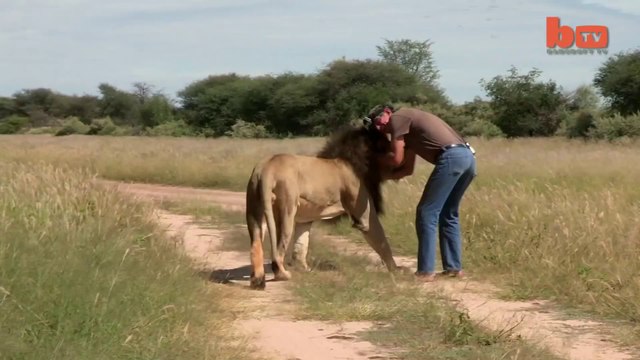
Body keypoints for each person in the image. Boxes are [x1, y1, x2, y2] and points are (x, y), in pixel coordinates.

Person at [366, 104, 477, 282]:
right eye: (377, 127)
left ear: (387, 113)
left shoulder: (398, 118)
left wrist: (369, 159)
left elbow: (395, 159)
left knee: (426, 212)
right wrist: (373, 178)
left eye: (379, 122)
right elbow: (405, 169)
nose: (381, 128)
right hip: (468, 158)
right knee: (449, 214)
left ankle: (425, 271)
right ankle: (454, 269)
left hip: (452, 157)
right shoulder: (408, 130)